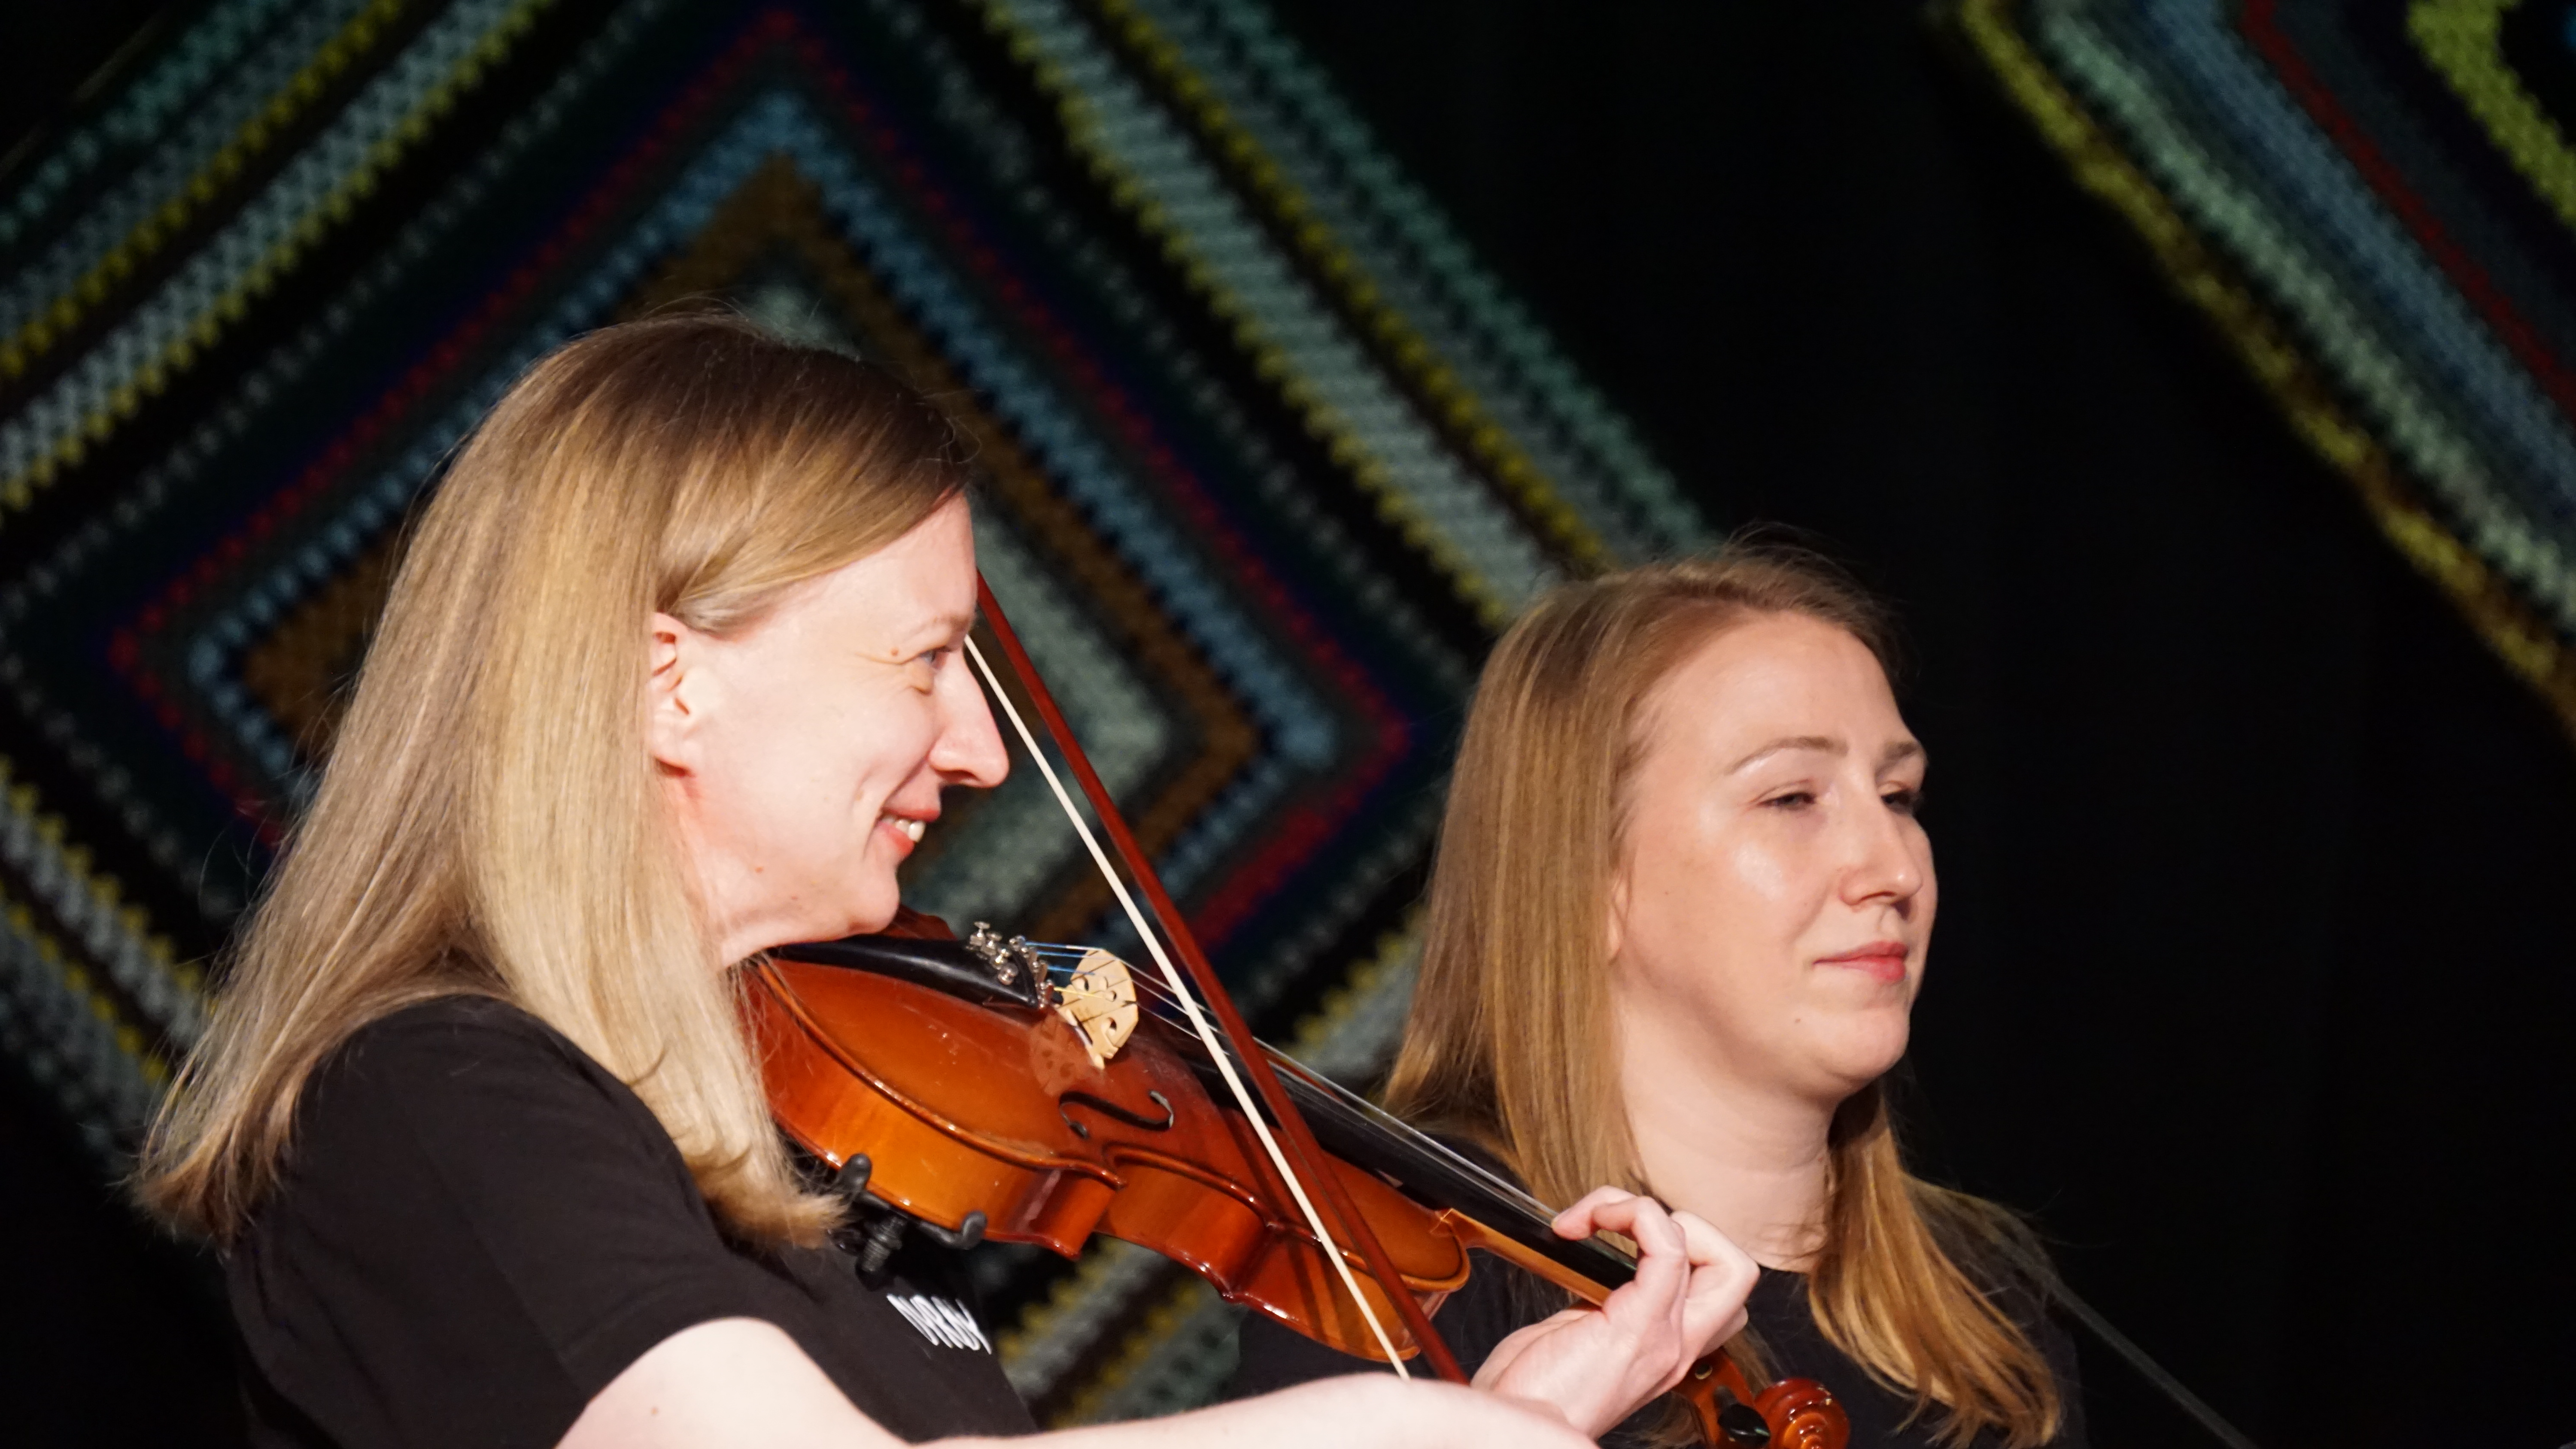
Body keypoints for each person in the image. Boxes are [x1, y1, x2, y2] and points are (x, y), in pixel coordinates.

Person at [135, 314, 1759, 1449]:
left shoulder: (798, 1146)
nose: (981, 747)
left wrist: (1515, 1415)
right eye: (924, 658)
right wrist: (1408, 1436)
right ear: (667, 683)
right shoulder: (435, 1096)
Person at [1229, 553, 2086, 1449]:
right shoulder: (1401, 1263)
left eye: (1899, 795)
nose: (1896, 868)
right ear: (1588, 880)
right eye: (1792, 797)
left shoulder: (1988, 1299)